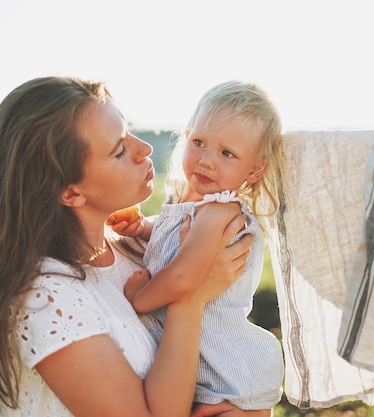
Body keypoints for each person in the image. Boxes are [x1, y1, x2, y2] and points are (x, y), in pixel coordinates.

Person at [0, 76, 266, 417]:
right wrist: (190, 298)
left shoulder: (133, 249)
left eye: (129, 131)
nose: (144, 148)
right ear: (71, 193)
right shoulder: (46, 297)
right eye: (119, 150)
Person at [107, 80, 285, 415]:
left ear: (255, 169)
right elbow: (175, 242)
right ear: (187, 134)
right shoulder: (191, 206)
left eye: (227, 153)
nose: (207, 161)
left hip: (230, 379)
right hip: (206, 375)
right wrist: (143, 228)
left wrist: (140, 299)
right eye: (199, 142)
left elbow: (183, 277)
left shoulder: (220, 214)